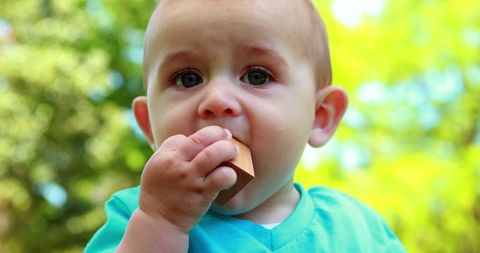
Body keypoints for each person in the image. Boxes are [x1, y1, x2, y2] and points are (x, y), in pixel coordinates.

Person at [85, 0, 406, 252]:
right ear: (149, 125)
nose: (216, 99)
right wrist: (162, 225)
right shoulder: (137, 218)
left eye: (257, 76)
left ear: (319, 116)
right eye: (188, 78)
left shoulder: (356, 230)